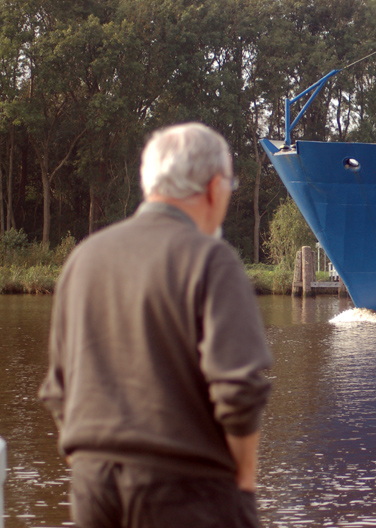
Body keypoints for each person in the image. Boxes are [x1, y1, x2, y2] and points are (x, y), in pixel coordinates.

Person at [39, 122, 273, 528]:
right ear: (214, 187)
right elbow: (239, 388)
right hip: (185, 491)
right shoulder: (210, 260)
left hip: (92, 490)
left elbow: (59, 392)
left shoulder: (84, 259)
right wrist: (245, 478)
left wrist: (94, 463)